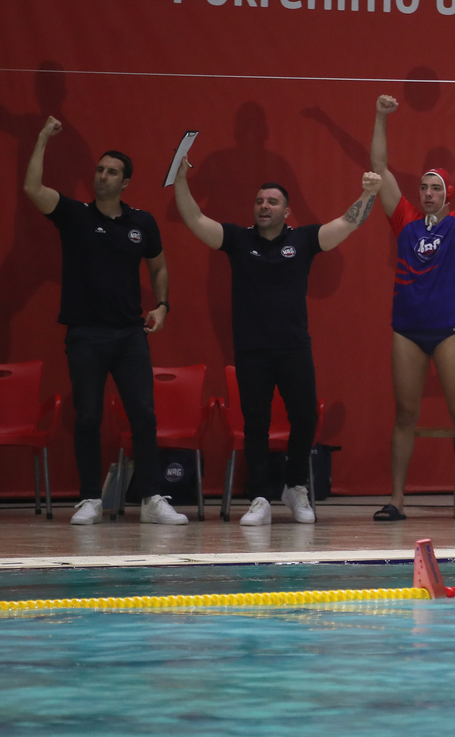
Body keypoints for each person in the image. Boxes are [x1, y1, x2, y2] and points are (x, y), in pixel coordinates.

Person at [174, 155, 382, 525]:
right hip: (252, 349)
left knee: (304, 417)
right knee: (256, 422)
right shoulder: (238, 239)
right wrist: (181, 180)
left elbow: (346, 225)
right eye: (259, 201)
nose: (264, 206)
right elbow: (195, 220)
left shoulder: (303, 240)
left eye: (272, 202)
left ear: (287, 211)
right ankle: (259, 497)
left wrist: (367, 195)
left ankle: (295, 485)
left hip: (293, 347)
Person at [23, 116, 187, 525]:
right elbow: (32, 188)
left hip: (131, 333)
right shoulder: (75, 215)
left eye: (112, 172)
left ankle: (151, 498)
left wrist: (162, 306)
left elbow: (160, 267)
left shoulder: (142, 223)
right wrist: (43, 137)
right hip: (86, 334)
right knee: (89, 416)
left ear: (125, 181)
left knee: (144, 416)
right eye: (99, 169)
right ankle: (90, 499)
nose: (102, 176)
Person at [371, 87, 455, 522]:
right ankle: (397, 501)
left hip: (449, 330)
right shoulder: (402, 218)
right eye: (422, 187)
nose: (426, 193)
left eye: (434, 188)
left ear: (448, 193)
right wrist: (381, 117)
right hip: (407, 329)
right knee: (405, 415)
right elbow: (379, 168)